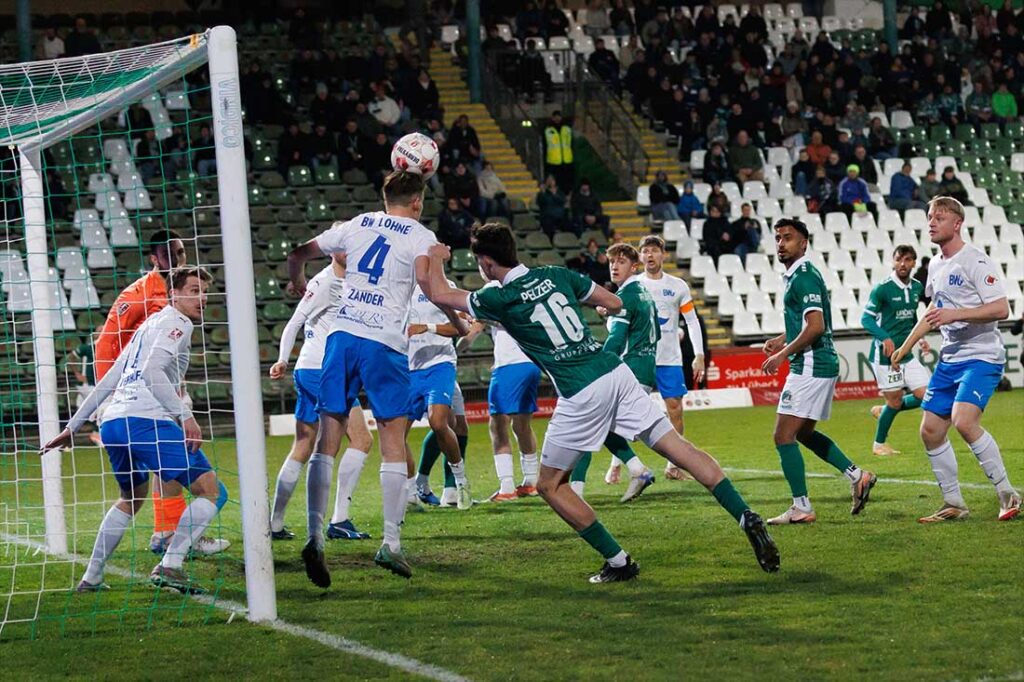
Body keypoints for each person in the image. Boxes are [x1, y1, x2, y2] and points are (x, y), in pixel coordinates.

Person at [423, 223, 779, 581]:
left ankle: (619, 561)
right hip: (614, 371)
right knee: (678, 447)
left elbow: (439, 293)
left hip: (580, 389)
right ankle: (745, 514)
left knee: (549, 485)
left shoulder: (496, 298)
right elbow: (614, 302)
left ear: (486, 263)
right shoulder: (556, 274)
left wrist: (435, 257)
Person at [287, 171, 462, 583]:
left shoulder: (355, 224)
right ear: (417, 201)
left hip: (342, 337)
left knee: (327, 438)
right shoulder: (420, 235)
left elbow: (298, 253)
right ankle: (390, 544)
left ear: (385, 197)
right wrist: (443, 273)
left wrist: (298, 281)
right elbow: (431, 288)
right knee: (392, 439)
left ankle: (315, 536)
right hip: (385, 342)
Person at [44, 267, 228, 594]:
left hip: (114, 422)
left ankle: (92, 576)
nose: (202, 298)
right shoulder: (178, 323)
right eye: (194, 290)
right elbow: (152, 371)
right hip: (145, 421)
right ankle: (171, 565)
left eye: (204, 292)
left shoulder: (148, 325)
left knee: (131, 498)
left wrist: (73, 425)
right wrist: (185, 416)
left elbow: (112, 376)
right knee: (212, 491)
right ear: (173, 294)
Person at [92, 231, 227, 557]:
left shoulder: (179, 292)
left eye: (181, 252)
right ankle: (171, 536)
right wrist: (109, 396)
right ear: (154, 259)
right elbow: (107, 342)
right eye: (170, 254)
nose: (179, 259)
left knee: (165, 465)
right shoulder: (137, 293)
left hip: (162, 386)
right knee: (173, 464)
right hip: (136, 391)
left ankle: (168, 531)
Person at [890, 197, 1021, 523]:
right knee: (931, 430)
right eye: (930, 217)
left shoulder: (975, 260)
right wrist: (905, 347)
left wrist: (956, 314)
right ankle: (953, 503)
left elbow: (1001, 309)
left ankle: (1007, 493)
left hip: (982, 356)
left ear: (957, 223)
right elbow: (934, 313)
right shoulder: (935, 265)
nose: (931, 223)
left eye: (939, 217)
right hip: (951, 359)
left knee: (963, 421)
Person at [761, 218, 877, 525]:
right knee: (803, 433)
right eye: (778, 238)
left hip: (811, 364)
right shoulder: (798, 276)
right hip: (817, 363)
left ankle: (801, 506)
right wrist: (782, 338)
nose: (781, 243)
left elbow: (815, 326)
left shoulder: (804, 277)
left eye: (788, 238)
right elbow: (806, 322)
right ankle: (858, 476)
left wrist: (783, 354)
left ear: (803, 244)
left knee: (783, 435)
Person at [268, 258, 373, 542]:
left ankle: (275, 524)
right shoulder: (325, 282)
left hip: (316, 370)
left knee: (303, 445)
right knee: (361, 439)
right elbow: (294, 322)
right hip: (322, 371)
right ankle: (338, 520)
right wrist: (282, 359)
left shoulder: (353, 280)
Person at [570, 243, 658, 502]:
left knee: (585, 423)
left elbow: (617, 340)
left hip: (628, 370)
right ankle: (637, 470)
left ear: (634, 267)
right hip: (644, 369)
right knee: (602, 426)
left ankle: (576, 491)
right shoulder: (643, 293)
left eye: (621, 262)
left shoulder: (625, 298)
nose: (614, 266)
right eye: (612, 262)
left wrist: (597, 367)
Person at [628, 236, 706, 483]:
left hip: (669, 359)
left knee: (675, 410)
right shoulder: (633, 285)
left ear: (663, 255)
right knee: (627, 412)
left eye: (654, 251)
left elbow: (691, 321)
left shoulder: (678, 286)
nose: (650, 255)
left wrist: (699, 355)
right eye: (645, 251)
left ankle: (673, 466)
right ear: (640, 256)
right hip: (640, 358)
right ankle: (619, 464)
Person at [406, 279, 472, 510]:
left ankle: (459, 482)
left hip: (440, 364)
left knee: (440, 422)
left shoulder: (443, 286)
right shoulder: (399, 287)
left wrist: (428, 327)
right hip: (408, 368)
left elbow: (462, 327)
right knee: (397, 434)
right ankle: (412, 490)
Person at [458, 322, 542, 502]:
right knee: (522, 425)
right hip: (531, 363)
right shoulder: (523, 303)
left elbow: (473, 331)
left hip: (509, 365)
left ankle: (507, 488)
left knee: (497, 426)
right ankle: (531, 482)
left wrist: (454, 351)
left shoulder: (490, 305)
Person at [861, 246, 932, 457]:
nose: (903, 263)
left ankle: (884, 412)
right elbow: (866, 319)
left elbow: (912, 318)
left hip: (906, 354)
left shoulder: (917, 287)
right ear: (893, 261)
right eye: (899, 259)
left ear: (913, 263)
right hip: (885, 357)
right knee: (895, 401)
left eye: (908, 260)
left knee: (928, 396)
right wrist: (885, 337)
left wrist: (921, 339)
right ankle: (878, 445)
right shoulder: (882, 289)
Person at [543, 111, 575, 193]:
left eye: (559, 116)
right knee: (556, 182)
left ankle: (566, 194)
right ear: (552, 118)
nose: (557, 118)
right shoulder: (548, 130)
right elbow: (545, 145)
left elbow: (571, 143)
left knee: (567, 182)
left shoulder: (567, 129)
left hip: (567, 160)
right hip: (554, 161)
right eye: (555, 117)